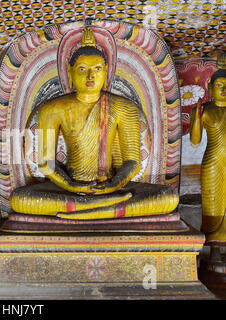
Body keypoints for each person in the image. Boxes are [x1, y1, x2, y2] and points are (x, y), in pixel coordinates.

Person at [9, 28, 179, 220]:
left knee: (168, 197)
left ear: (106, 72)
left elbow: (133, 162)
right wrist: (72, 186)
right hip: (68, 188)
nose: (91, 76)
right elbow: (46, 164)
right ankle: (103, 209)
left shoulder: (124, 107)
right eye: (83, 69)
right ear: (70, 72)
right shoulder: (52, 109)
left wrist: (114, 184)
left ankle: (85, 209)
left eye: (97, 69)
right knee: (20, 199)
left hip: (112, 187)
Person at [190, 53, 226, 261]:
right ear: (210, 87)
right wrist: (196, 118)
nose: (224, 89)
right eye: (219, 85)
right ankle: (214, 251)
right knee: (212, 203)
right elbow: (195, 141)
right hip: (212, 162)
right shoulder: (204, 111)